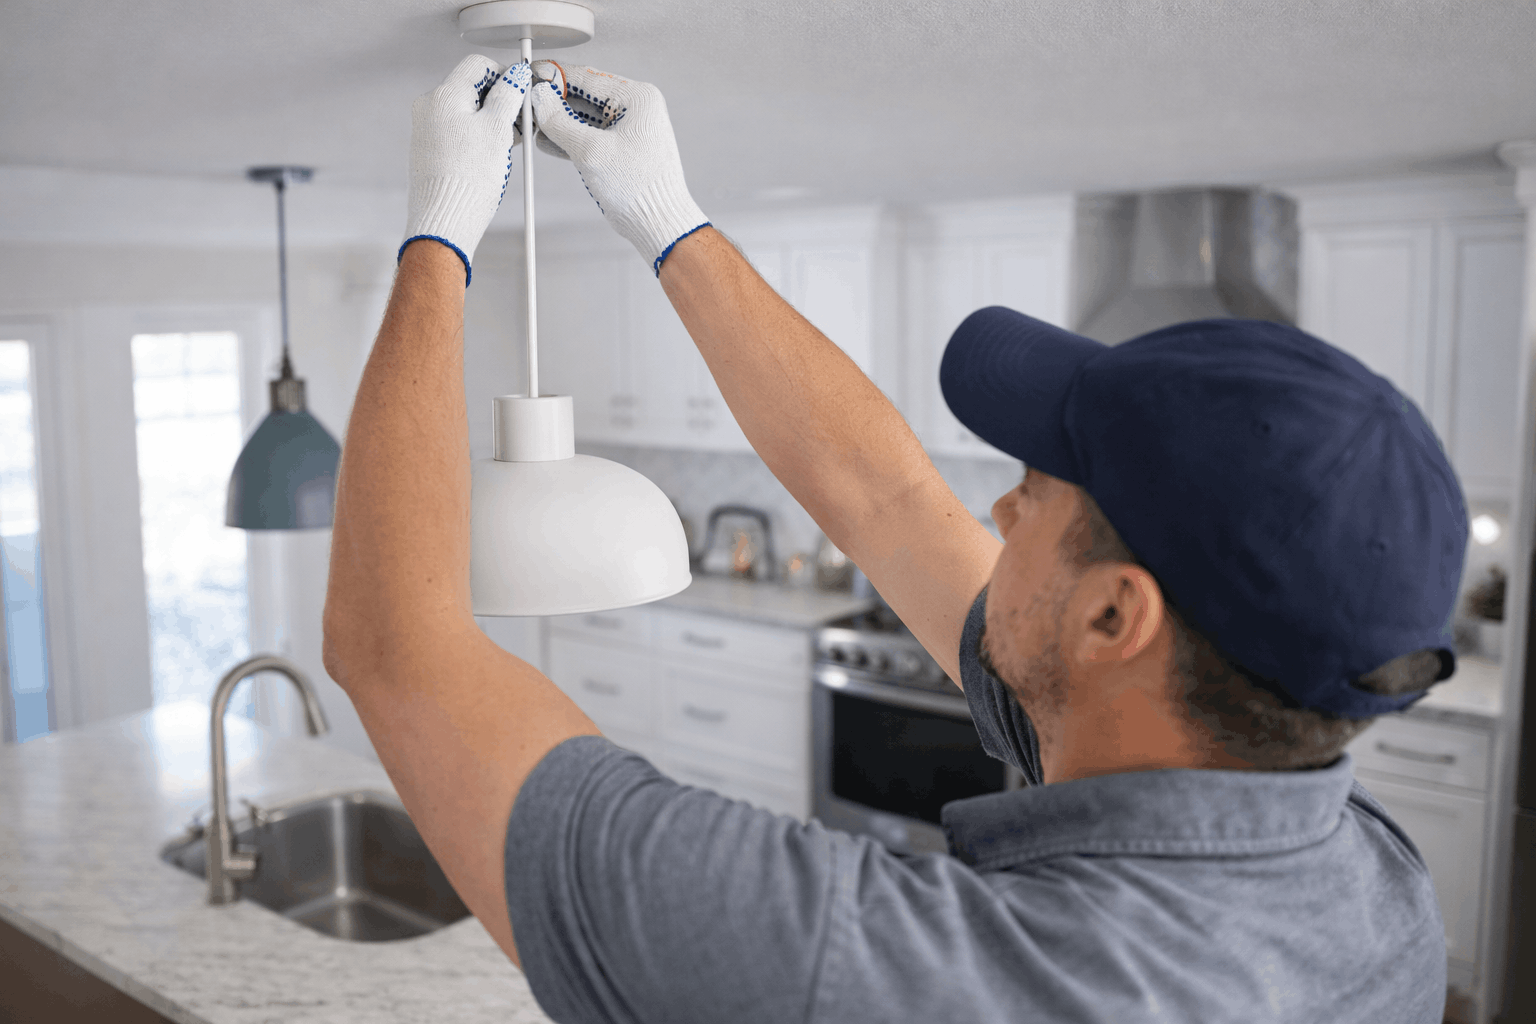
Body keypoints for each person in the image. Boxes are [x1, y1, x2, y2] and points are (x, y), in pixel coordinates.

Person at [323, 54, 1466, 1023]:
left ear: (1118, 615)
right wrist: (669, 218)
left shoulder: (896, 969)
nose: (1001, 511)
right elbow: (890, 502)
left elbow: (397, 648)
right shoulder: (1372, 877)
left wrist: (437, 240)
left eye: (1036, 491)